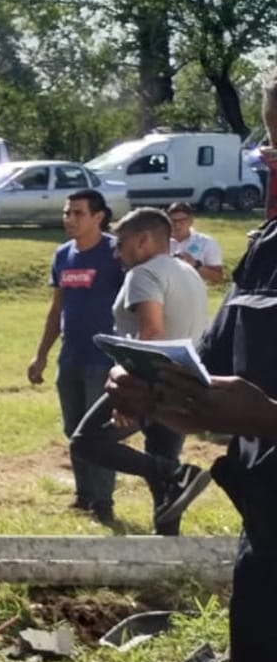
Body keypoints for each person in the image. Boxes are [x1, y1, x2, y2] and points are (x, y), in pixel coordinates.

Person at [103, 65, 277, 662]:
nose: (270, 166)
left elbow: (256, 407)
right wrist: (155, 395)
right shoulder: (267, 253)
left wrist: (269, 416)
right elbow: (213, 386)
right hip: (268, 551)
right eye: (272, 146)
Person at [70, 207, 214, 534]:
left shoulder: (143, 273)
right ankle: (167, 544)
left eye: (121, 244)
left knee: (87, 441)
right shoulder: (188, 272)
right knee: (161, 467)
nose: (116, 251)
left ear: (144, 240)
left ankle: (178, 474)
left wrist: (128, 394)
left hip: (151, 380)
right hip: (184, 381)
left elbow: (150, 333)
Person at [28, 190, 125, 521]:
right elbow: (57, 309)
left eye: (78, 213)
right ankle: (84, 496)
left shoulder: (116, 253)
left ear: (98, 217)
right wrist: (41, 354)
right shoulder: (62, 255)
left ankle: (104, 504)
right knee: (74, 430)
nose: (69, 219)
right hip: (70, 357)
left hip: (104, 361)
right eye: (67, 213)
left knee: (98, 433)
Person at [167, 201, 227, 285]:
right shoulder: (159, 241)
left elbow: (218, 277)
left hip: (194, 294)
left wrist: (195, 265)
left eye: (182, 220)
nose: (177, 225)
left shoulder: (206, 242)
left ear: (191, 220)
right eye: (173, 220)